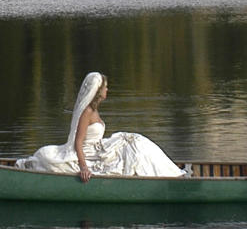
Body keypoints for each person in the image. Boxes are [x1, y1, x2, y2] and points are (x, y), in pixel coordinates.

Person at [15, 71, 185, 180]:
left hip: (100, 148)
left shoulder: (94, 109)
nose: (107, 90)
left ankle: (167, 172)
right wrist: (83, 168)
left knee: (136, 142)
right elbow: (78, 143)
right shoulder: (87, 112)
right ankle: (166, 176)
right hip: (90, 154)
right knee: (134, 147)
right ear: (97, 91)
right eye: (105, 87)